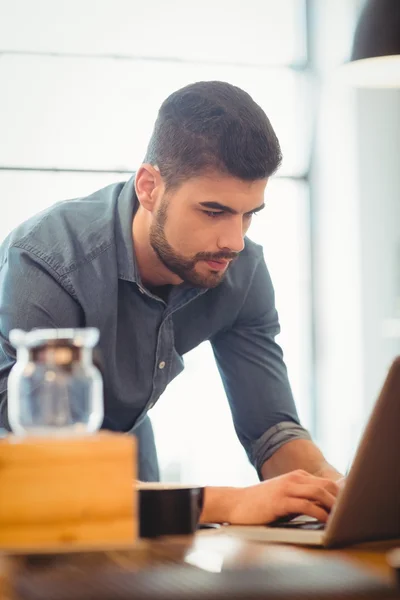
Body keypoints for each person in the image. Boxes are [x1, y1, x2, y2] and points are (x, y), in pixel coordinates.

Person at [0, 81, 342, 526]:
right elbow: (38, 477)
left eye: (249, 213)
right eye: (213, 211)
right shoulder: (48, 262)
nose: (235, 241)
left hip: (133, 481)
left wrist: (337, 491)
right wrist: (228, 502)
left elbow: (272, 433)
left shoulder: (240, 266)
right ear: (149, 187)